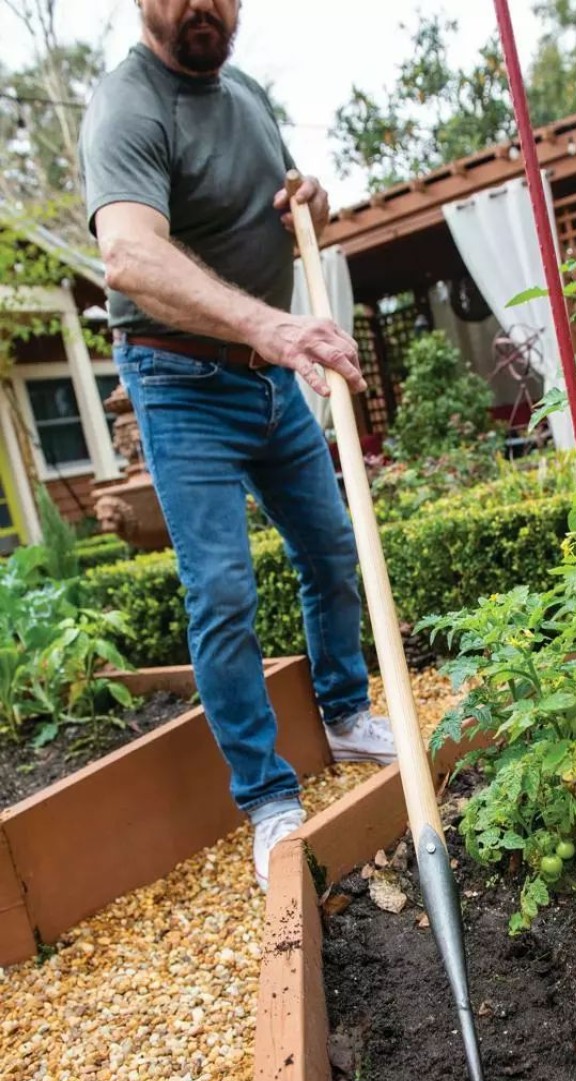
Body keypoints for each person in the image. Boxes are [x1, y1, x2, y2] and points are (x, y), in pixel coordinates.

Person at [78, 0, 396, 893]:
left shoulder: (246, 92)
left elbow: (281, 204)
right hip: (180, 384)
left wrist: (311, 200)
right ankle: (266, 797)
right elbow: (130, 259)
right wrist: (273, 325)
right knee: (221, 590)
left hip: (265, 372)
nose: (202, 6)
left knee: (332, 550)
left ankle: (341, 713)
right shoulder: (127, 106)